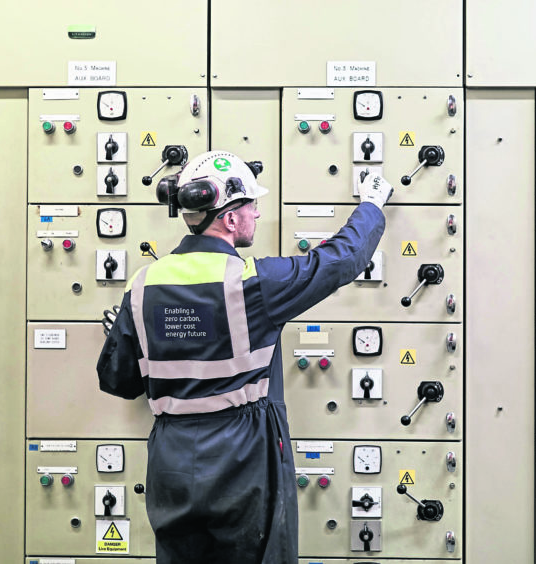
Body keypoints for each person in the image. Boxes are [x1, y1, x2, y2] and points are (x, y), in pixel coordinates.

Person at [96, 150, 392, 563]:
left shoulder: (143, 284)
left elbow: (118, 381)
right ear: (230, 218)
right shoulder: (252, 283)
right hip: (239, 459)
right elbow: (338, 260)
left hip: (171, 462)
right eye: (252, 205)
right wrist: (371, 207)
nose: (256, 214)